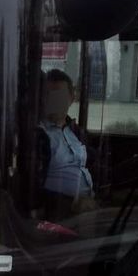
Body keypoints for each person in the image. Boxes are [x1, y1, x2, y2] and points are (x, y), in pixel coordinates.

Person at [37, 69, 95, 219]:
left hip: (90, 203)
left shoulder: (76, 132)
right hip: (62, 213)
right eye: (50, 96)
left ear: (71, 98)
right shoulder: (39, 136)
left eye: (60, 96)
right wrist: (70, 203)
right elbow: (32, 187)